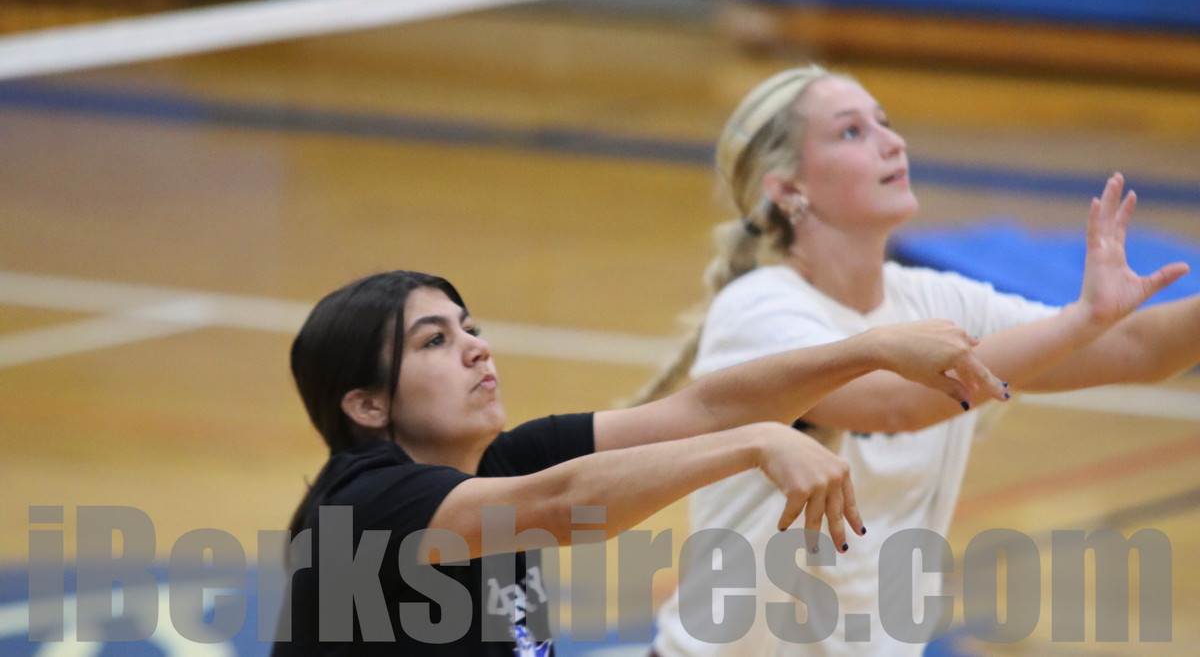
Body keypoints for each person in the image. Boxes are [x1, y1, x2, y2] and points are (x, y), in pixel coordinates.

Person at [643, 64, 1198, 656]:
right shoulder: (757, 308)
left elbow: (1140, 349)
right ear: (787, 190)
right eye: (852, 132)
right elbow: (897, 404)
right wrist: (1082, 319)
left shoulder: (937, 300)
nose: (892, 142)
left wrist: (1094, 322)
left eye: (885, 122)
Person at [269, 268, 1008, 655]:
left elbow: (706, 408)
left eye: (470, 328)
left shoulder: (502, 464)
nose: (477, 348)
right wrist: (758, 443)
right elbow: (565, 506)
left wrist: (870, 349)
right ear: (367, 405)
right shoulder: (363, 505)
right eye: (435, 341)